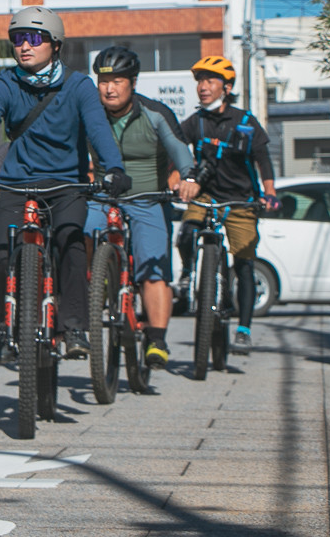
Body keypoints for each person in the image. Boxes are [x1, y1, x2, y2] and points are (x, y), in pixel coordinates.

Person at [0, 6, 130, 363]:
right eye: (17, 38)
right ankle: (5, 326)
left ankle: (74, 327)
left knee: (71, 242)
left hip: (66, 184)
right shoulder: (7, 82)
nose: (24, 46)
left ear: (55, 44)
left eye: (34, 38)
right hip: (16, 183)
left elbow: (98, 130)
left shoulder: (79, 86)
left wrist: (114, 168)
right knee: (3, 253)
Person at [84, 46, 199, 369]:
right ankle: (96, 284)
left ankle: (157, 340)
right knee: (79, 231)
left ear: (132, 82)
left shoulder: (156, 113)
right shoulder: (88, 114)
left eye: (117, 81)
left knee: (153, 269)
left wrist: (188, 176)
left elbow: (180, 151)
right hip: (102, 195)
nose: (109, 88)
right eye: (103, 81)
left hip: (148, 197)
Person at [176, 55, 279, 355]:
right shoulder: (196, 121)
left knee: (244, 264)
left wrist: (269, 192)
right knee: (186, 232)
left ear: (227, 87)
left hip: (241, 200)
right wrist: (175, 177)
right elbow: (176, 148)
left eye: (210, 81)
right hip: (206, 197)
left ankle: (244, 329)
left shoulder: (245, 121)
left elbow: (263, 160)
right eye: (200, 81)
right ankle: (186, 274)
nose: (203, 87)